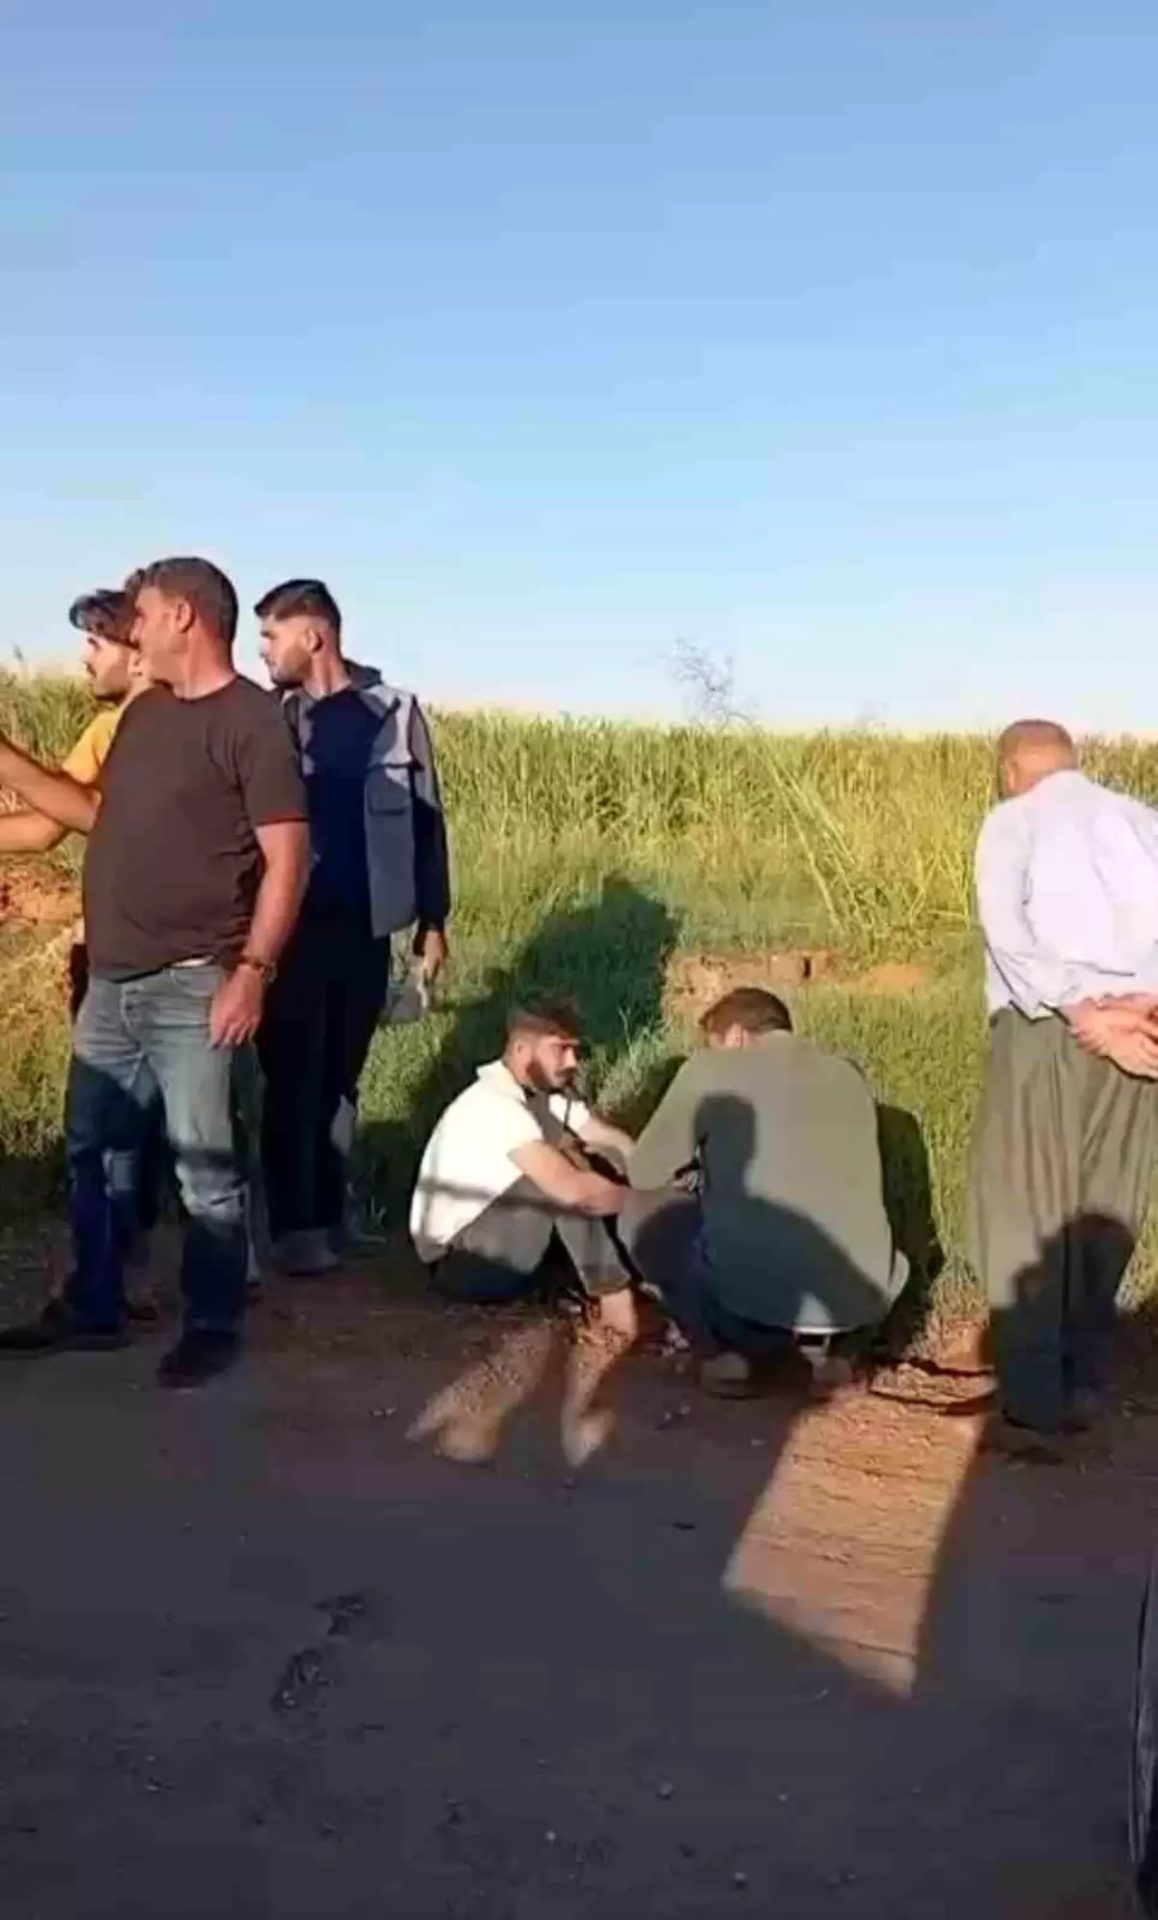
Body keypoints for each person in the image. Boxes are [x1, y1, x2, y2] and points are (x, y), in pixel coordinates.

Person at [0, 557, 309, 1387]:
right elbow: (93, 817)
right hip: (113, 981)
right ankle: (95, 1303)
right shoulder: (144, 716)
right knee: (94, 1150)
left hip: (195, 981)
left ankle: (212, 1322)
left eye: (140, 614)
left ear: (183, 617)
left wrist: (253, 970)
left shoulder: (252, 721)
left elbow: (288, 858)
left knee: (205, 1167)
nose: (130, 630)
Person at [969, 718, 1158, 1449]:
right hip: (1139, 1031)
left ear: (1011, 768)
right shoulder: (1141, 821)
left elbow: (1006, 931)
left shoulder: (1013, 820)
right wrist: (1135, 1007)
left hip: (1047, 1027)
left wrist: (1083, 1010)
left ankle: (1033, 1402)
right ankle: (1083, 1380)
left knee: (1025, 1206)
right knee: (1107, 1202)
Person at [254, 578, 451, 1275]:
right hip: (291, 927)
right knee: (294, 1075)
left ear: (314, 635)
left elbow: (427, 818)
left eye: (271, 636)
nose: (263, 651)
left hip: (368, 928)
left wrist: (434, 920)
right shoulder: (273, 719)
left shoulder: (394, 711)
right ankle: (293, 1227)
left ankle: (332, 1217)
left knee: (342, 1076)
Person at [626, 988, 908, 1396]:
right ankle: (837, 1357)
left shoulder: (709, 1070)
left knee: (641, 1209)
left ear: (737, 1036)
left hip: (749, 1306)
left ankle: (727, 1354)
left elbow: (643, 1172)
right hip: (855, 1305)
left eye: (714, 1043)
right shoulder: (849, 1075)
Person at [410, 996, 642, 1338]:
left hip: (505, 1233)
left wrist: (650, 1172)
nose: (572, 1062)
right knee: (563, 1179)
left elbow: (606, 1138)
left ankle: (640, 1265)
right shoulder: (494, 1102)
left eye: (574, 1050)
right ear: (521, 1050)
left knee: (595, 1158)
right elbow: (570, 1190)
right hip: (462, 1261)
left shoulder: (545, 1095)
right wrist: (644, 1202)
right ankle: (615, 1302)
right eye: (560, 1050)